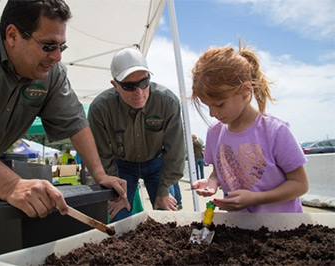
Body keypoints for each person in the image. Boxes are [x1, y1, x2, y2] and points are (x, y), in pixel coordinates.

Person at [0, 1, 127, 264]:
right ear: (12, 35)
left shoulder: (53, 75)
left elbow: (75, 123)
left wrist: (100, 173)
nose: (57, 56)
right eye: (48, 46)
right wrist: (11, 184)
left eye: (62, 47)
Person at [190, 42, 309, 213]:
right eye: (207, 106)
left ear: (245, 90)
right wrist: (213, 181)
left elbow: (300, 185)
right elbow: (218, 171)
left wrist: (255, 198)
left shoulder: (275, 131)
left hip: (282, 228)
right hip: (239, 228)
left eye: (219, 104)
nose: (212, 113)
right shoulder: (214, 133)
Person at [88, 48, 186, 222]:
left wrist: (163, 191)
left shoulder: (168, 102)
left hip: (157, 163)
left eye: (144, 83)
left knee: (166, 217)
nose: (139, 93)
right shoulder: (100, 109)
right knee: (118, 217)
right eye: (129, 86)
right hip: (122, 168)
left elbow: (175, 152)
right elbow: (102, 155)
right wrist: (116, 192)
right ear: (115, 85)